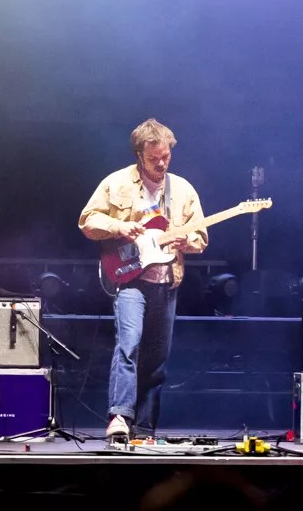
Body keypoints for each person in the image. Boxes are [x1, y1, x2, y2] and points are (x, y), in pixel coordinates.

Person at [79, 119, 208, 443]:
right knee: (129, 344)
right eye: (154, 158)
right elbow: (88, 221)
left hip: (167, 282)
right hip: (130, 280)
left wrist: (188, 241)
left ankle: (145, 429)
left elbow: (200, 236)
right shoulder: (116, 183)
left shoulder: (182, 189)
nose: (161, 164)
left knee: (156, 359)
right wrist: (119, 227)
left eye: (166, 156)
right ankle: (120, 417)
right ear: (139, 154)